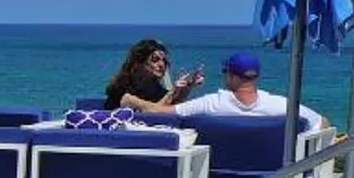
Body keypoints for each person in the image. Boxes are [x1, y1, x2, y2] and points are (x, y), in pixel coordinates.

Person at [174, 51, 329, 130]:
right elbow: (322, 123)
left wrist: (173, 92)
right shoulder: (281, 105)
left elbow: (161, 111)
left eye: (224, 72)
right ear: (256, 76)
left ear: (232, 77)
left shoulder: (211, 103)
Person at [102, 38, 203, 112]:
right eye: (155, 60)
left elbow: (171, 105)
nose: (162, 65)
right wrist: (172, 91)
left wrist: (189, 86)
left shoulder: (152, 86)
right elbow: (155, 112)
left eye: (164, 60)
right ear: (138, 63)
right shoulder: (122, 88)